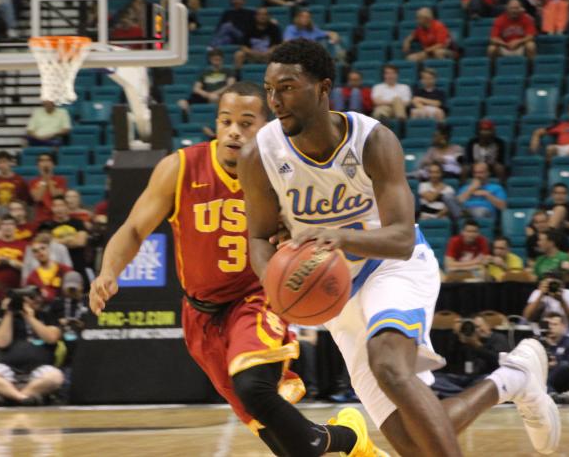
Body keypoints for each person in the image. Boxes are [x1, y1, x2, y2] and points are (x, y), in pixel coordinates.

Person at [236, 38, 560, 456]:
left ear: (322, 87)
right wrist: (274, 281)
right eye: (270, 89)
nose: (276, 100)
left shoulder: (372, 140)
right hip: (333, 295)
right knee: (414, 444)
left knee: (388, 364)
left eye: (288, 87)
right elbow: (259, 237)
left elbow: (402, 238)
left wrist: (341, 236)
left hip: (390, 267)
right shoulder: (260, 154)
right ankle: (512, 380)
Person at [89, 82, 375, 457]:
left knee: (253, 386)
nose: (234, 131)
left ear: (266, 128)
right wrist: (109, 271)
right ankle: (350, 440)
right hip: (201, 316)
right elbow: (132, 229)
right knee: (288, 442)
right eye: (226, 121)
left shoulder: (283, 175)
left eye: (246, 122)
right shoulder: (179, 168)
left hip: (256, 299)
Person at [0, 287, 64, 405]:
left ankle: (12, 397)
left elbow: (51, 338)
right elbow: (1, 343)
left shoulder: (46, 316)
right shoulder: (6, 317)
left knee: (55, 377)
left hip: (39, 369)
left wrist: (29, 317)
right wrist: (9, 312)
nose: (27, 302)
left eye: (31, 298)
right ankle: (23, 398)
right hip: (6, 368)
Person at [442, 315, 510, 390]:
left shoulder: (498, 338)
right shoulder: (467, 339)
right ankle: (465, 394)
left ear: (488, 326)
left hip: (488, 377)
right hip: (466, 378)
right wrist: (455, 335)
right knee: (434, 379)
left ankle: (461, 393)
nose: (476, 330)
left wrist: (477, 345)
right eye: (473, 327)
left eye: (478, 326)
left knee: (486, 380)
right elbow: (448, 361)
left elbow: (498, 360)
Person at [541, 312, 569, 403]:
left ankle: (551, 394)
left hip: (566, 380)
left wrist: (555, 365)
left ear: (563, 327)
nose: (550, 327)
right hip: (546, 377)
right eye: (547, 324)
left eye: (554, 324)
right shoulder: (540, 343)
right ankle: (554, 395)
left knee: (564, 365)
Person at [0, 215, 26, 291]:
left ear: (15, 227)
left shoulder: (24, 246)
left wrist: (11, 262)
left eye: (11, 224)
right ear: (0, 227)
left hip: (17, 289)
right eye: (4, 224)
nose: (7, 227)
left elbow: (29, 269)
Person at [49, 197, 87, 275]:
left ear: (67, 207)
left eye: (61, 205)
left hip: (77, 263)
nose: (59, 209)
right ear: (52, 208)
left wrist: (57, 241)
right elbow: (48, 244)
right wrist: (69, 239)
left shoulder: (78, 223)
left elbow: (80, 242)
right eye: (55, 206)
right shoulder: (46, 225)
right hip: (55, 265)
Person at [25, 238, 72, 302]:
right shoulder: (32, 278)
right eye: (35, 251)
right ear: (33, 255)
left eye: (43, 248)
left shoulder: (65, 269)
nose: (40, 252)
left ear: (49, 249)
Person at [29, 153, 67, 222]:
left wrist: (48, 179)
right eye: (42, 161)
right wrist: (44, 180)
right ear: (38, 165)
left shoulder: (61, 180)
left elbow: (56, 196)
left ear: (53, 164)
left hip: (57, 217)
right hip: (41, 218)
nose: (45, 163)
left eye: (48, 160)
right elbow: (37, 198)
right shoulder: (33, 182)